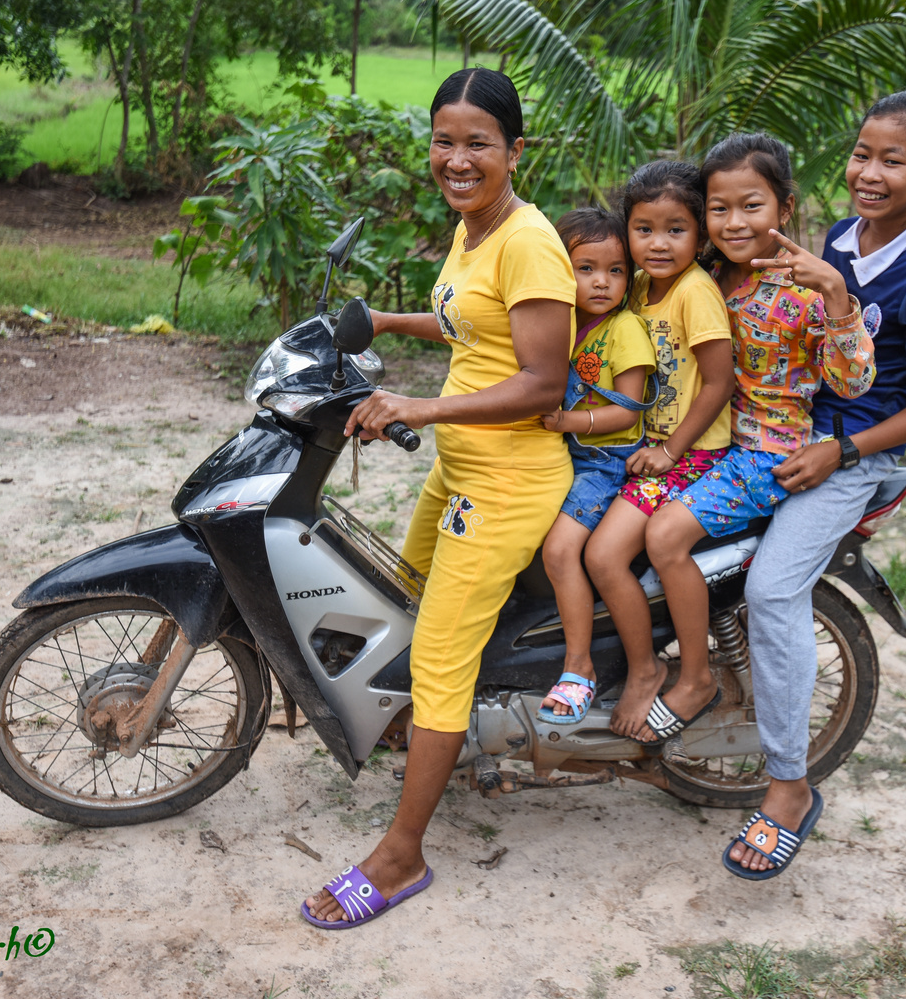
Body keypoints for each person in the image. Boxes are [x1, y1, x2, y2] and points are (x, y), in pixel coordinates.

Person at [301, 68, 575, 927]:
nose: (457, 159)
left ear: (513, 151)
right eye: (443, 141)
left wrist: (418, 404)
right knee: (401, 596)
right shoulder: (474, 228)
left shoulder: (528, 241)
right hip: (460, 467)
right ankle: (423, 737)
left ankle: (400, 856)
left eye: (477, 144)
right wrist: (384, 323)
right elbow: (472, 326)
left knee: (438, 657)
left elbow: (541, 381)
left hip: (509, 481)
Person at [723, 91, 906, 879]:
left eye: (892, 160)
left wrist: (844, 451)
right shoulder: (839, 238)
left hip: (855, 456)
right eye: (862, 153)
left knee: (770, 591)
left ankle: (789, 789)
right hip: (789, 426)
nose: (869, 172)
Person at [637, 133, 876, 761]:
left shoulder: (800, 294)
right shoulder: (706, 274)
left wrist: (836, 295)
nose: (734, 223)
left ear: (785, 209)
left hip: (763, 454)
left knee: (664, 537)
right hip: (702, 443)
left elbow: (852, 382)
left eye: (752, 206)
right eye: (719, 209)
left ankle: (694, 679)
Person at [584, 161, 736, 741]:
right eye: (644, 229)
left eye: (676, 229)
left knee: (604, 556)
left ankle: (663, 670)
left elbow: (719, 383)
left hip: (691, 452)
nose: (659, 243)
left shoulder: (695, 294)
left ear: (699, 233)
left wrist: (672, 450)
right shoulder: (641, 285)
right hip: (645, 443)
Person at [536, 207, 656, 724]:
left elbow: (628, 408)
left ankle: (578, 666)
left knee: (562, 551)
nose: (602, 282)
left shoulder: (623, 328)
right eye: (586, 268)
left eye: (615, 271)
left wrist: (568, 422)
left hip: (604, 461)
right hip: (565, 452)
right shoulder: (559, 323)